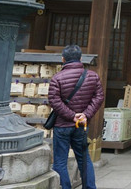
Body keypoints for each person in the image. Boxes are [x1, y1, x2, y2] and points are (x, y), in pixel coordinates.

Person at [48, 45, 104, 189]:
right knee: (84, 159)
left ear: (63, 59)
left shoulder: (57, 78)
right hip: (81, 125)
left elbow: (54, 101)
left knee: (60, 161)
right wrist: (85, 115)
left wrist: (72, 116)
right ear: (80, 58)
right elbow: (99, 97)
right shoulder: (92, 76)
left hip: (62, 125)